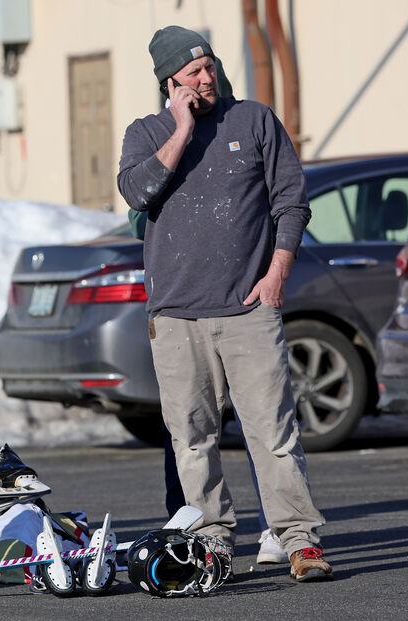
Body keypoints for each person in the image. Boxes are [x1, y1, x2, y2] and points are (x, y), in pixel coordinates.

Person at [117, 26, 332, 582]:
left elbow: (291, 201)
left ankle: (298, 539)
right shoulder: (146, 133)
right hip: (175, 314)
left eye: (209, 65)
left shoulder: (254, 120)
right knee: (192, 440)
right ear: (170, 82)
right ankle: (212, 541)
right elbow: (137, 192)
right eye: (193, 72)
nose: (206, 77)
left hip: (248, 309)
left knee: (274, 434)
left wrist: (277, 273)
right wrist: (182, 129)